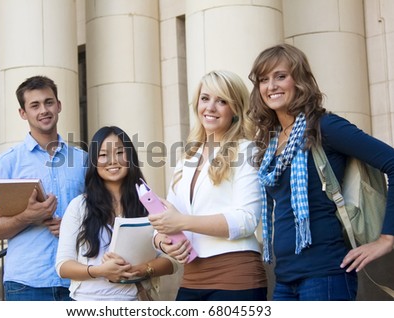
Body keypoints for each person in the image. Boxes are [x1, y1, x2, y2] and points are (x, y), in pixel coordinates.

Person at [247, 43, 394, 300]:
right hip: (284, 278)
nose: (271, 86)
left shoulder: (325, 127)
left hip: (325, 275)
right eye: (263, 79)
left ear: (299, 80)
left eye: (280, 76)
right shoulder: (270, 142)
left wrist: (387, 238)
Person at [149, 70, 268, 301]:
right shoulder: (187, 157)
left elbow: (246, 219)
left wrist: (182, 222)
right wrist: (162, 242)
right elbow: (168, 217)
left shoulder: (247, 150)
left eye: (222, 101)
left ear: (235, 109)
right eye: (205, 98)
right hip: (191, 277)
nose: (210, 107)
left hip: (236, 275)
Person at [0, 75, 87, 301]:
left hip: (78, 281)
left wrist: (76, 226)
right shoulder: (8, 163)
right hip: (27, 284)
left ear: (59, 105)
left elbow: (102, 214)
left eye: (49, 102)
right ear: (23, 113)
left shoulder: (83, 160)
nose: (44, 110)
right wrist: (28, 217)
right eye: (35, 105)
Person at [55, 126, 177, 301]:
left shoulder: (148, 203)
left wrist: (141, 270)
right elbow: (63, 266)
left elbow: (172, 261)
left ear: (130, 157)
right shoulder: (79, 206)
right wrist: (99, 271)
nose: (112, 161)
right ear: (94, 162)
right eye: (103, 155)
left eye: (119, 152)